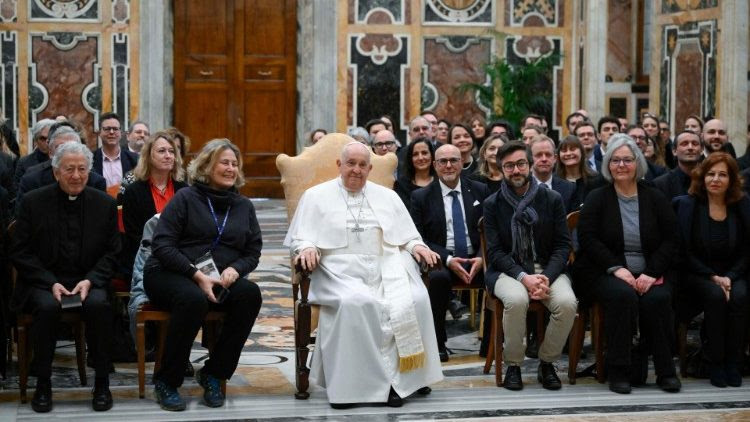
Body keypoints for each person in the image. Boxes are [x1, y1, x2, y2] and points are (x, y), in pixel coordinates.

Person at [284, 141, 443, 408]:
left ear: (370, 168)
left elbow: (408, 235)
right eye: (351, 164)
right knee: (356, 302)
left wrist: (418, 246)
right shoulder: (315, 196)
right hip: (338, 271)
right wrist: (308, 247)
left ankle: (402, 382)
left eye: (362, 165)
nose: (356, 170)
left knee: (414, 297)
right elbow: (301, 238)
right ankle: (352, 389)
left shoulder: (388, 197)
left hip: (387, 265)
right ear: (339, 165)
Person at [144, 139, 263, 411]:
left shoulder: (243, 205)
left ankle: (214, 372)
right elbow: (162, 245)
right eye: (224, 162)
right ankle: (167, 380)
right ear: (207, 165)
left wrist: (236, 269)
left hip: (219, 277)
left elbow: (253, 250)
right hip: (169, 273)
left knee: (249, 294)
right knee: (192, 299)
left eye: (235, 163)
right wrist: (196, 275)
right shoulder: (186, 198)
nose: (231, 168)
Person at [11, 141, 120, 412]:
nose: (76, 175)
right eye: (69, 169)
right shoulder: (33, 202)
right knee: (47, 307)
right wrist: (50, 282)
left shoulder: (104, 203)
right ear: (56, 172)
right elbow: (19, 250)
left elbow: (113, 251)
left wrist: (91, 280)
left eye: (82, 169)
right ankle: (43, 384)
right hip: (43, 280)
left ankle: (102, 383)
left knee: (98, 305)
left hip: (88, 279)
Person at [573, 134, 681, 394]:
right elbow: (587, 239)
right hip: (604, 271)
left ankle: (666, 371)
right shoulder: (598, 196)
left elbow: (672, 238)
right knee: (623, 296)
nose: (621, 165)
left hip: (650, 269)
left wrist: (650, 273)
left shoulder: (654, 196)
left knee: (656, 299)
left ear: (638, 164)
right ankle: (619, 370)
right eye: (615, 160)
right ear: (608, 164)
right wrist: (617, 268)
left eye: (627, 160)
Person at [483, 141, 577, 391]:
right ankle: (513, 364)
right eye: (509, 166)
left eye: (521, 164)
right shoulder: (493, 204)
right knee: (516, 301)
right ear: (501, 169)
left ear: (530, 165)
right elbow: (495, 252)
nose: (516, 171)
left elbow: (562, 246)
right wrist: (524, 277)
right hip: (508, 271)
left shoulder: (552, 199)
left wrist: (544, 277)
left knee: (567, 304)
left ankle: (547, 362)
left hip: (548, 269)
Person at [673, 153, 750, 388]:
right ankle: (714, 362)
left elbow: (747, 250)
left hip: (733, 273)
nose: (716, 179)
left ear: (732, 180)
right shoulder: (688, 205)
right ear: (702, 177)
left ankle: (733, 362)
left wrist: (730, 277)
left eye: (722, 175)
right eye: (711, 174)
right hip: (697, 273)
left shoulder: (742, 205)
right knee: (716, 296)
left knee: (740, 296)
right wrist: (713, 277)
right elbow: (683, 252)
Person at [410, 144, 489, 362]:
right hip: (441, 259)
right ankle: (438, 342)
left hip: (477, 257)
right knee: (438, 279)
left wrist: (482, 258)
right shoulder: (421, 197)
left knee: (497, 276)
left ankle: (490, 343)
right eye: (442, 161)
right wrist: (448, 258)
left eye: (453, 160)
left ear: (462, 163)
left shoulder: (480, 190)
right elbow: (418, 237)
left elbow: (491, 230)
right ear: (435, 166)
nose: (448, 165)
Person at [121, 132, 188, 275]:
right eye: (161, 151)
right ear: (149, 157)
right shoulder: (134, 191)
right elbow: (134, 235)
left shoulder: (184, 190)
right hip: (146, 258)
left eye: (171, 151)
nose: (168, 155)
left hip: (181, 257)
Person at [16, 125, 107, 214]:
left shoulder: (96, 182)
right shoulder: (31, 181)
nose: (67, 152)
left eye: (73, 148)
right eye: (60, 148)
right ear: (50, 152)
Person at [93, 112, 139, 196]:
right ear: (99, 132)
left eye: (115, 129)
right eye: (107, 129)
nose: (111, 132)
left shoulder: (135, 160)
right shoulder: (91, 160)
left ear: (121, 133)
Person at [530, 135, 577, 212]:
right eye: (538, 155)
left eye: (548, 155)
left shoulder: (569, 188)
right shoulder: (521, 188)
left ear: (555, 158)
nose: (544, 159)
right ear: (530, 159)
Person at [653, 130, 703, 200]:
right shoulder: (661, 184)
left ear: (701, 150)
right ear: (674, 151)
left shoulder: (708, 181)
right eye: (684, 144)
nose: (690, 147)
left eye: (695, 144)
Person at [556, 135, 600, 207]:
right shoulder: (554, 182)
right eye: (564, 150)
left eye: (573, 149)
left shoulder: (597, 180)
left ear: (582, 152)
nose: (568, 153)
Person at [394, 137, 435, 211]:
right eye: (415, 154)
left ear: (432, 155)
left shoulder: (441, 181)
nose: (420, 158)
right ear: (410, 158)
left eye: (424, 153)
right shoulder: (401, 185)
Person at [15, 118, 54, 186]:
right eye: (43, 139)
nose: (47, 142)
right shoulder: (24, 163)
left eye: (50, 138)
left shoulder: (63, 161)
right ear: (35, 141)